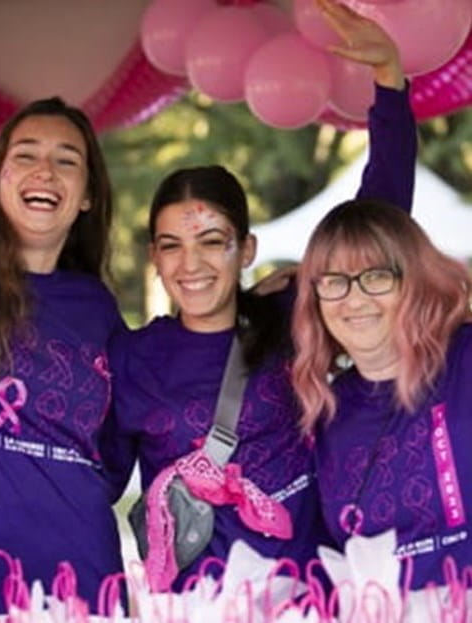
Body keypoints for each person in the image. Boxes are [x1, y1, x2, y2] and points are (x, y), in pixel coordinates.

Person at [107, 0, 417, 591]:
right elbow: (92, 484)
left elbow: (377, 228)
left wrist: (388, 82)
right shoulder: (132, 357)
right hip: (195, 605)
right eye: (171, 245)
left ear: (246, 250)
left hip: (304, 595)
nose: (191, 264)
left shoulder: (291, 315)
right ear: (154, 257)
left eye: (212, 241)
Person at [0, 97, 126, 611]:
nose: (45, 170)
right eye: (26, 154)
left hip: (79, 585)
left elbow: (115, 454)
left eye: (67, 159)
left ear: (86, 195)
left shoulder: (98, 309)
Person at [291, 198, 472, 588]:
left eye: (375, 276)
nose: (355, 299)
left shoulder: (465, 360)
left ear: (414, 279)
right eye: (335, 281)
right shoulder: (325, 413)